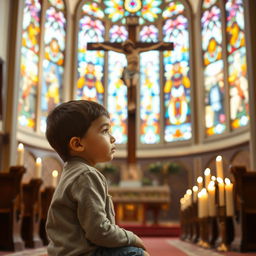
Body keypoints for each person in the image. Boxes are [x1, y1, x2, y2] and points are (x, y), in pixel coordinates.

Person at [45, 100, 150, 256]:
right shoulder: (86, 175)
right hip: (83, 254)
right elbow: (99, 231)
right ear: (78, 144)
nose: (112, 138)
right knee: (137, 253)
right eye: (105, 130)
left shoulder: (72, 171)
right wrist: (132, 238)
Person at [92, 39, 169, 111]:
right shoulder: (126, 53)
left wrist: (160, 44)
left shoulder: (137, 51)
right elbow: (112, 48)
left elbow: (150, 48)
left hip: (135, 71)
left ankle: (133, 102)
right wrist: (101, 45)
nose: (128, 48)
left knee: (134, 85)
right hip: (128, 71)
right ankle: (129, 103)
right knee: (129, 86)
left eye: (129, 46)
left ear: (131, 46)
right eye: (126, 47)